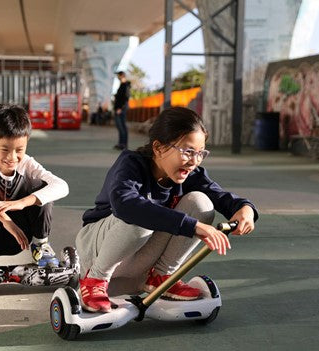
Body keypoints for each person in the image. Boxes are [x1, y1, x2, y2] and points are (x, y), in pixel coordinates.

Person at [75, 107, 258, 313]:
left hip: (139, 258)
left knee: (201, 203)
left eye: (200, 153)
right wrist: (193, 226)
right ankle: (95, 279)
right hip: (98, 250)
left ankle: (161, 276)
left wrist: (245, 208)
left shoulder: (191, 174)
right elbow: (125, 205)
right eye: (188, 151)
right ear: (159, 148)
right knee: (140, 217)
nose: (194, 161)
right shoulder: (131, 164)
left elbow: (221, 196)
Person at [0, 104, 70, 274]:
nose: (12, 157)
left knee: (42, 187)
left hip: (21, 240)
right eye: (5, 149)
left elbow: (62, 186)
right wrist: (5, 220)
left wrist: (23, 202)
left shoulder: (28, 164)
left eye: (19, 150)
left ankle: (41, 246)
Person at [113, 71, 131, 150]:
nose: (117, 77)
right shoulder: (122, 85)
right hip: (119, 108)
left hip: (120, 109)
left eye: (118, 75)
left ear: (122, 76)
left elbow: (125, 98)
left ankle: (124, 144)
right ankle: (121, 143)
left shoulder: (125, 85)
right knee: (120, 127)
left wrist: (120, 108)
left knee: (122, 126)